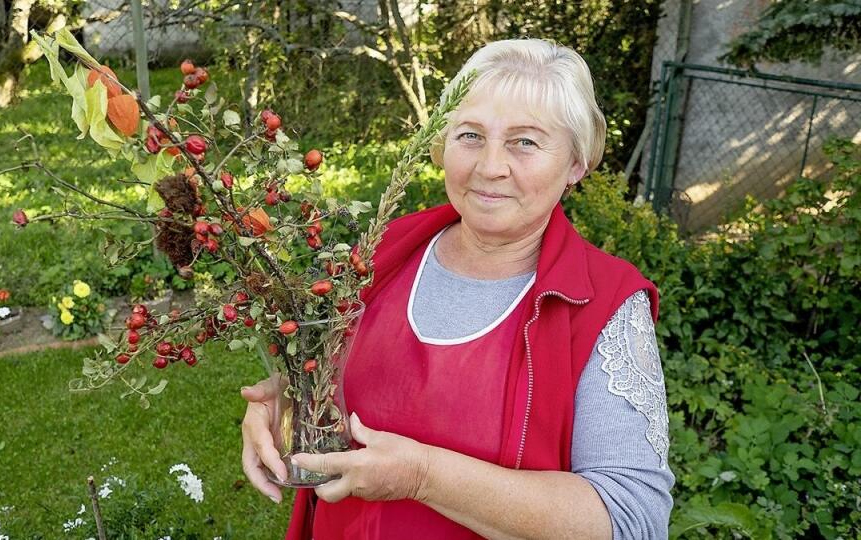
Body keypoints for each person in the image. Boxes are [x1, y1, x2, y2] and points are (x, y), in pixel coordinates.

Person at [241, 38, 674, 539]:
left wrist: (421, 477)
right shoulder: (385, 253)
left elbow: (632, 522)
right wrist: (288, 404)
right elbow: (338, 387)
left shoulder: (602, 303)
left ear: (576, 163)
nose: (490, 166)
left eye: (525, 142)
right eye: (469, 135)